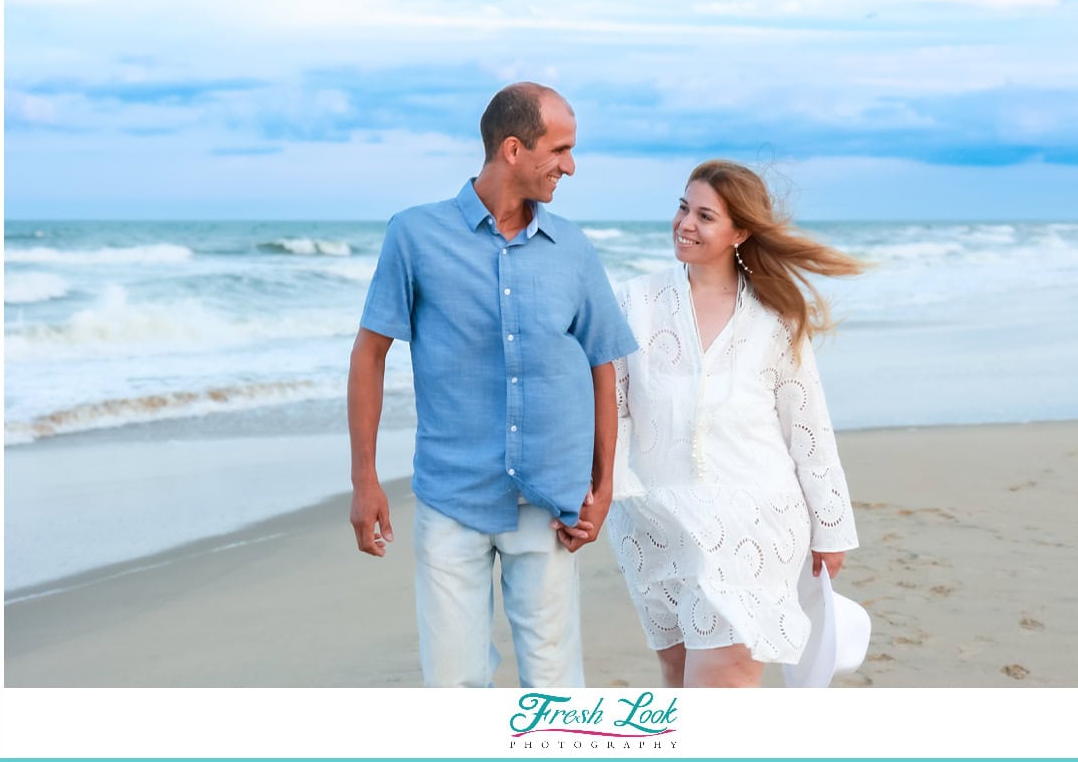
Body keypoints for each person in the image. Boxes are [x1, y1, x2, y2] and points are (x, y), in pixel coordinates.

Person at [348, 82, 638, 688]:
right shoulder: (414, 236)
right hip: (452, 497)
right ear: (513, 149)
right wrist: (365, 479)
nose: (570, 166)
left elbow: (603, 363)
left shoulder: (574, 250)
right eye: (559, 149)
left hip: (549, 502)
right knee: (454, 684)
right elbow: (370, 353)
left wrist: (604, 487)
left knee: (555, 684)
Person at [606, 159, 863, 688]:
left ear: (739, 232)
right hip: (654, 523)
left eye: (705, 216)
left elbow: (809, 432)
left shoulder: (775, 317)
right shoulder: (634, 302)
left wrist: (831, 529)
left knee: (720, 687)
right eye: (683, 207)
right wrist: (607, 492)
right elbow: (614, 409)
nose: (685, 224)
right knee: (676, 677)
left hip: (754, 525)